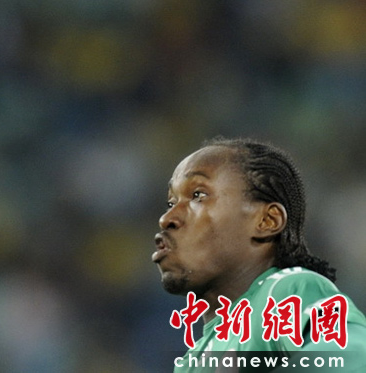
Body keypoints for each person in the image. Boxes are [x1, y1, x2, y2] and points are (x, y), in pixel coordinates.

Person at [154, 136, 366, 372]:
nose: (166, 218)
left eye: (198, 195)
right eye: (171, 203)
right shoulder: (189, 364)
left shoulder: (285, 292)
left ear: (267, 221)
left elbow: (354, 357)